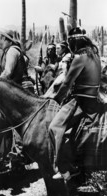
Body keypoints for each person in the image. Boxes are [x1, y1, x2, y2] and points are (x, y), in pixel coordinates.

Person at [50, 27, 101, 181]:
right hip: (94, 100)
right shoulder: (95, 55)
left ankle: (63, 169)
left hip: (81, 101)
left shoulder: (80, 57)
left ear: (73, 42)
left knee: (55, 127)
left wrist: (55, 100)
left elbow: (66, 84)